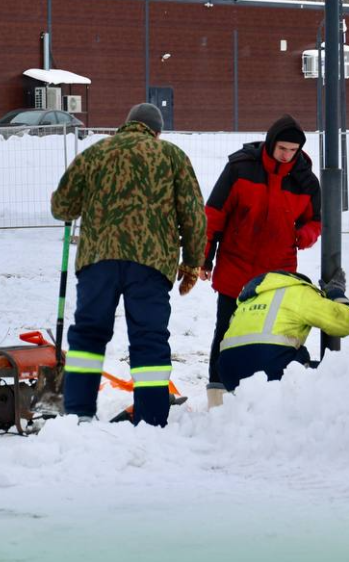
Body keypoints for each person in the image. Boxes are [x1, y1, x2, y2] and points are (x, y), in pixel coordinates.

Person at [51, 103, 207, 427]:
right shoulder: (171, 156)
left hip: (98, 260)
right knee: (149, 338)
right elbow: (193, 215)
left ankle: (78, 413)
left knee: (88, 337)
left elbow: (62, 206)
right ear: (156, 131)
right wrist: (192, 265)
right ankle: (151, 419)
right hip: (150, 263)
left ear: (127, 124)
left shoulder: (96, 153)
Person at [200, 115, 321, 408]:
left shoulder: (305, 180)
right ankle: (217, 395)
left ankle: (267, 395)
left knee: (271, 333)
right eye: (282, 148)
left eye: (293, 150)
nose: (287, 155)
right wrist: (204, 258)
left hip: (276, 275)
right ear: (270, 143)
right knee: (225, 331)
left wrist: (303, 236)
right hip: (235, 267)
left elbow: (315, 221)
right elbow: (214, 215)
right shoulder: (240, 168)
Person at [218, 269, 349, 392]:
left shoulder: (250, 297)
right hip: (270, 365)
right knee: (335, 375)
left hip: (229, 371)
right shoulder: (299, 291)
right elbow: (343, 322)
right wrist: (335, 294)